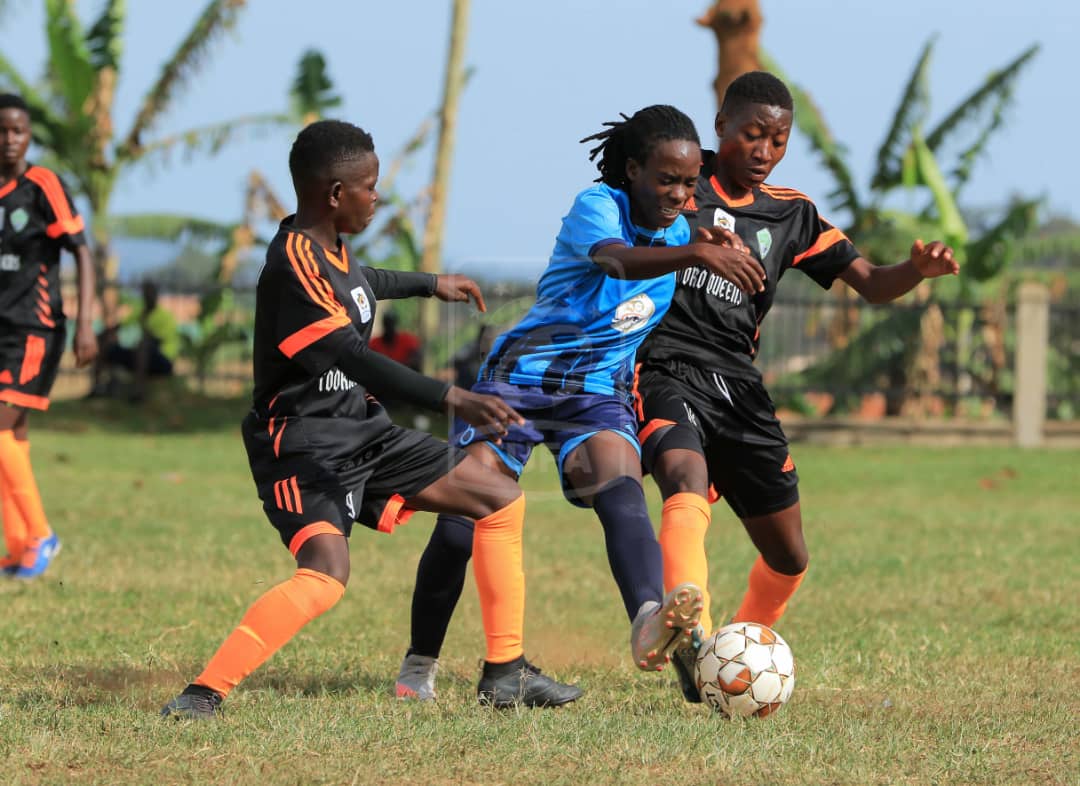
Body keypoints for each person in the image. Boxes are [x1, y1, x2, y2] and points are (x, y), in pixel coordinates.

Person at [159, 120, 581, 719]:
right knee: (326, 576)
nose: (377, 197)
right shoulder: (292, 265)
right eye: (370, 186)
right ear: (335, 193)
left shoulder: (328, 249)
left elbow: (362, 284)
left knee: (500, 499)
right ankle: (203, 693)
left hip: (362, 429)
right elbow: (356, 357)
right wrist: (452, 399)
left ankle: (505, 674)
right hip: (304, 446)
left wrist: (430, 284)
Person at [395, 104, 768, 701]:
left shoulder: (682, 227)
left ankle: (652, 620)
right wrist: (697, 250)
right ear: (631, 170)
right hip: (520, 380)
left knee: (622, 490)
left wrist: (703, 238)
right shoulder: (596, 206)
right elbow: (614, 259)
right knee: (463, 525)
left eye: (690, 182)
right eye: (665, 179)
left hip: (595, 393)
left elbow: (679, 237)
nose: (679, 193)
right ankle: (418, 668)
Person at [633, 72, 960, 703]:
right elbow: (617, 233)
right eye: (753, 134)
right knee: (682, 475)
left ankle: (738, 655)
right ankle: (693, 637)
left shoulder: (792, 213)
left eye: (778, 140)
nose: (764, 150)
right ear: (721, 124)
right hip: (666, 364)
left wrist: (916, 270)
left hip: (741, 387)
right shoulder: (675, 178)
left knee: (789, 557)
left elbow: (869, 280)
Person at [0, 93, 97, 579]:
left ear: (29, 135)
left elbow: (81, 250)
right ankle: (19, 548)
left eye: (19, 131)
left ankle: (41, 535)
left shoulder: (43, 185)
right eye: (3, 131)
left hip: (35, 329)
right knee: (10, 437)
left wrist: (85, 322)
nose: (11, 140)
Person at [90, 280, 178, 401]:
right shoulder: (141, 312)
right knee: (106, 343)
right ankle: (98, 387)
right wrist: (102, 335)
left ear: (156, 295)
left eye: (151, 293)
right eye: (146, 294)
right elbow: (119, 326)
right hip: (141, 356)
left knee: (143, 345)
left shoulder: (165, 316)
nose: (148, 297)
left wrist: (145, 335)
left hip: (163, 360)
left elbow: (158, 341)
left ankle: (138, 392)